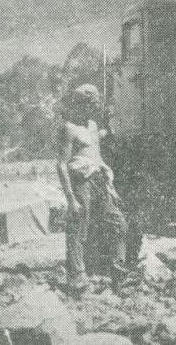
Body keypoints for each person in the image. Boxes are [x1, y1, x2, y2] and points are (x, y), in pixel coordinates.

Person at [56, 84, 128, 290]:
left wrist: (107, 174)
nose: (94, 108)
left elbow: (96, 156)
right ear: (80, 104)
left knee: (118, 223)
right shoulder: (69, 128)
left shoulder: (93, 126)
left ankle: (118, 271)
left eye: (96, 104)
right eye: (90, 104)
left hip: (98, 181)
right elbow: (61, 164)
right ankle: (77, 278)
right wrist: (70, 199)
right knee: (79, 230)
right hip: (80, 184)